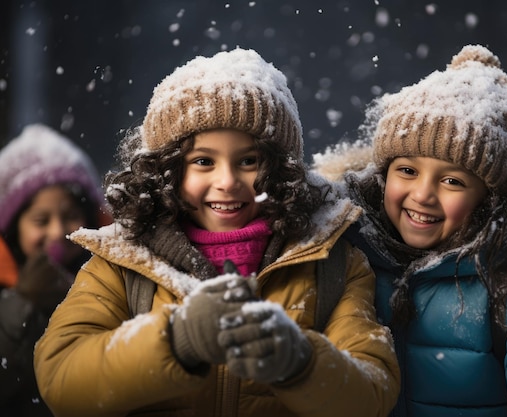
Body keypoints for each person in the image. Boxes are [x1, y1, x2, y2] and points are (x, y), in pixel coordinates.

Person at [33, 48, 400, 417]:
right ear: (168, 169)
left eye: (249, 161)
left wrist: (300, 362)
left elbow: (372, 393)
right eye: (203, 162)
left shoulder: (334, 263)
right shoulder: (122, 263)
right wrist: (178, 339)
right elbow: (61, 379)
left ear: (281, 169)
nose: (226, 181)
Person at [312, 44, 507, 416]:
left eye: (453, 181)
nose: (422, 194)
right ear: (383, 176)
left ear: (490, 197)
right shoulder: (351, 250)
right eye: (407, 171)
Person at [0, 123, 109, 417]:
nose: (58, 231)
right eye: (40, 220)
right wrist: (23, 302)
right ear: (12, 228)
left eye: (70, 215)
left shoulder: (111, 276)